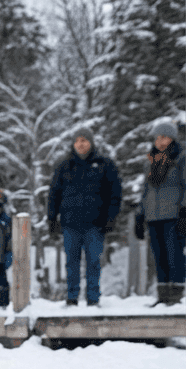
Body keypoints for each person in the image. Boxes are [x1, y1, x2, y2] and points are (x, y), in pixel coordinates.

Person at [47, 129, 123, 306]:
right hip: (70, 223)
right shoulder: (64, 166)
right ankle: (72, 298)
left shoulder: (104, 164)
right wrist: (52, 219)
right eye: (77, 141)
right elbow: (53, 195)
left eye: (84, 140)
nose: (81, 144)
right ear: (73, 144)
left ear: (91, 142)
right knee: (71, 263)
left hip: (95, 223)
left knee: (93, 262)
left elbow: (115, 194)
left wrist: (111, 218)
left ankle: (93, 299)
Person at [133, 118, 186, 306]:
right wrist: (140, 215)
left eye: (164, 137)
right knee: (159, 256)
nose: (160, 141)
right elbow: (146, 190)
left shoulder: (181, 158)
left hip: (174, 214)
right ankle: (163, 295)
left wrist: (184, 211)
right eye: (157, 137)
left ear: (172, 138)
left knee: (175, 255)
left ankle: (176, 295)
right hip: (153, 216)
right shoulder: (151, 162)